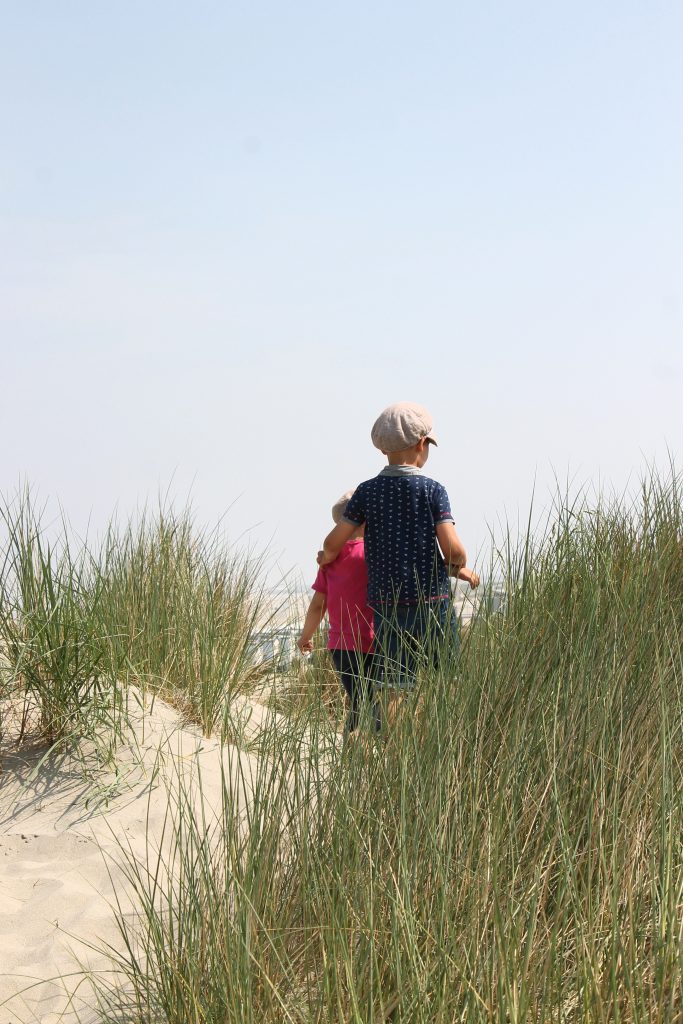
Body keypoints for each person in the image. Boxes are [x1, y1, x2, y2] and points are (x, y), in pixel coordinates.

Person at [317, 402, 479, 724]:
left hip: (387, 606)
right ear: (422, 444)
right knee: (447, 680)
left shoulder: (366, 493)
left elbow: (333, 542)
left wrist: (329, 556)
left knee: (395, 686)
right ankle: (438, 745)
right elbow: (455, 550)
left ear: (383, 450)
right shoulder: (433, 490)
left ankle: (394, 750)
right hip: (431, 601)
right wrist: (455, 564)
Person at [298, 491, 379, 733]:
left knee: (359, 702)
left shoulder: (330, 560)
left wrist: (305, 637)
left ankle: (354, 757)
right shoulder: (376, 554)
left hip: (341, 646)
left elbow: (317, 605)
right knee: (374, 705)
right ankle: (366, 755)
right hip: (376, 642)